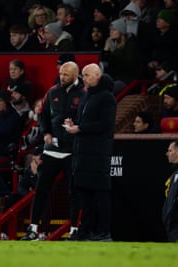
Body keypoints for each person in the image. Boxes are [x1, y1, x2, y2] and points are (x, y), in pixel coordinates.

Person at [21, 61, 85, 241]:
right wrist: (46, 132)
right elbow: (42, 116)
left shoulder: (83, 94)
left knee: (74, 191)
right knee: (41, 189)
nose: (62, 77)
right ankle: (33, 229)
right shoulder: (52, 91)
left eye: (66, 74)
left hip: (72, 151)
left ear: (75, 75)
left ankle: (74, 230)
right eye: (61, 73)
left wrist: (77, 127)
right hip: (52, 149)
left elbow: (86, 120)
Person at [64, 63, 117, 241]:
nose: (83, 78)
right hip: (82, 153)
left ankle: (103, 231)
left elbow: (106, 125)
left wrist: (80, 128)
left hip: (98, 153)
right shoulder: (87, 97)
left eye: (86, 75)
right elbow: (83, 122)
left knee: (100, 194)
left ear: (97, 75)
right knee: (84, 194)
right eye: (83, 75)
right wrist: (75, 125)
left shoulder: (107, 98)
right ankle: (85, 230)